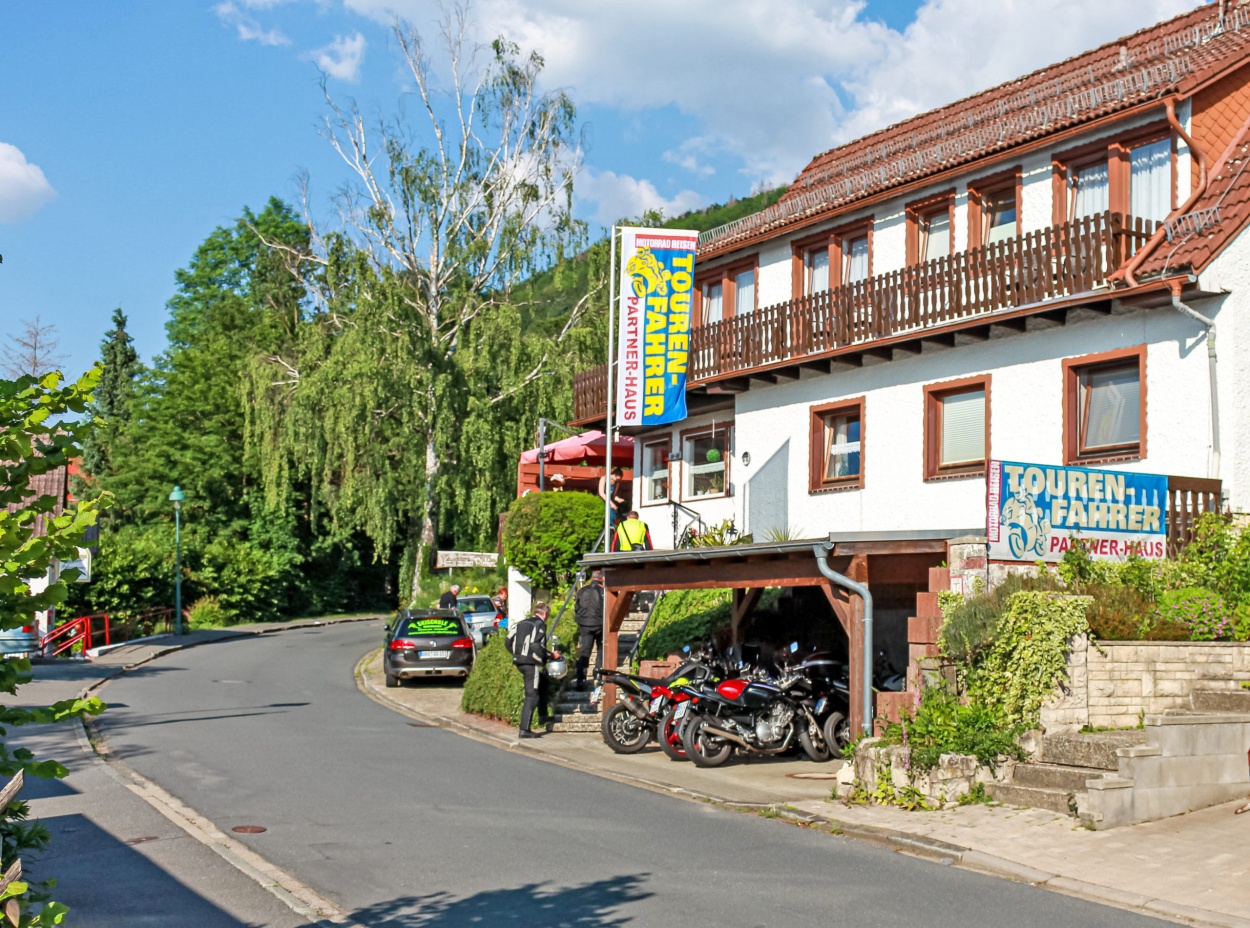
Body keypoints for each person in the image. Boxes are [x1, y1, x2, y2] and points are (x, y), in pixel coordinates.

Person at [510, 601, 559, 739]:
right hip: (531, 663)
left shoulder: (521, 623)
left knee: (542, 684)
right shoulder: (539, 624)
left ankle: (542, 716)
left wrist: (517, 655)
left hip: (519, 661)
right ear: (544, 614)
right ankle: (525, 729)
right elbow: (536, 645)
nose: (547, 617)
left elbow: (508, 641)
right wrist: (551, 655)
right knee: (532, 695)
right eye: (548, 615)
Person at [573, 569, 604, 691]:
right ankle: (598, 673)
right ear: (602, 578)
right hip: (599, 623)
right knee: (601, 649)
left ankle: (581, 679)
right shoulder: (603, 590)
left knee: (585, 651)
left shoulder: (582, 589)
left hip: (584, 624)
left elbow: (576, 607)